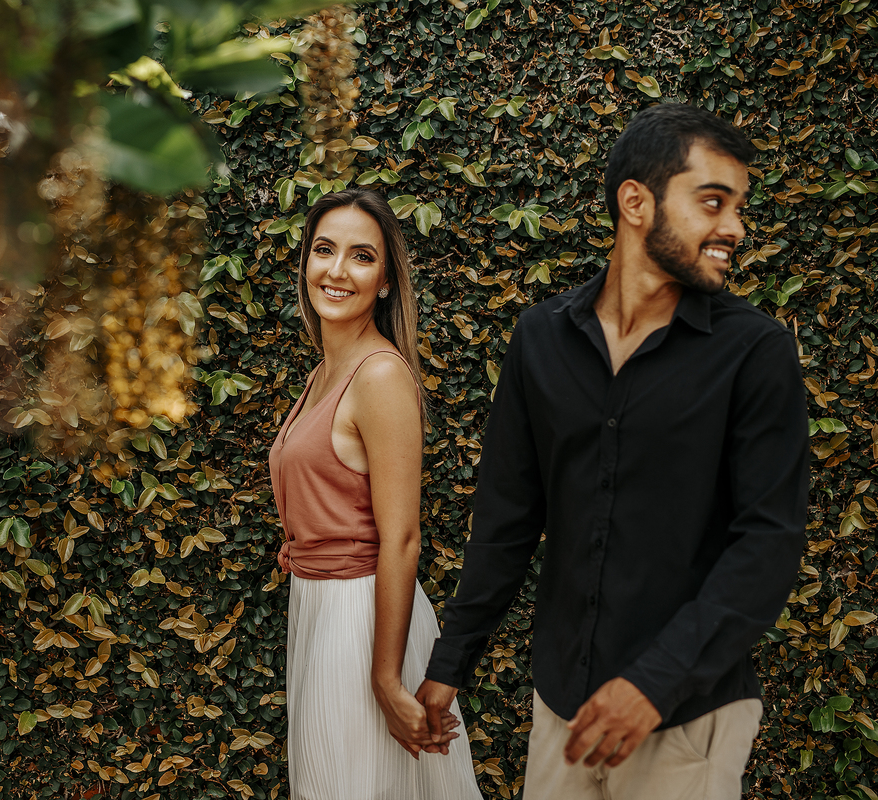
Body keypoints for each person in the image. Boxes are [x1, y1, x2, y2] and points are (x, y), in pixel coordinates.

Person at [415, 103, 810, 800]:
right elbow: (506, 518)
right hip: (561, 709)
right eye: (713, 201)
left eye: (739, 207)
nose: (735, 228)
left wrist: (654, 684)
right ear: (636, 201)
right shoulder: (540, 340)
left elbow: (767, 545)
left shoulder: (756, 353)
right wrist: (451, 663)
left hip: (690, 719)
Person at [269, 188, 483, 799]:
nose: (336, 271)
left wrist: (387, 680)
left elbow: (403, 538)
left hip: (359, 618)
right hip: (318, 606)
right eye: (323, 250)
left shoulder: (380, 375)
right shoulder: (324, 371)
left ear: (386, 281)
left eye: (361, 256)